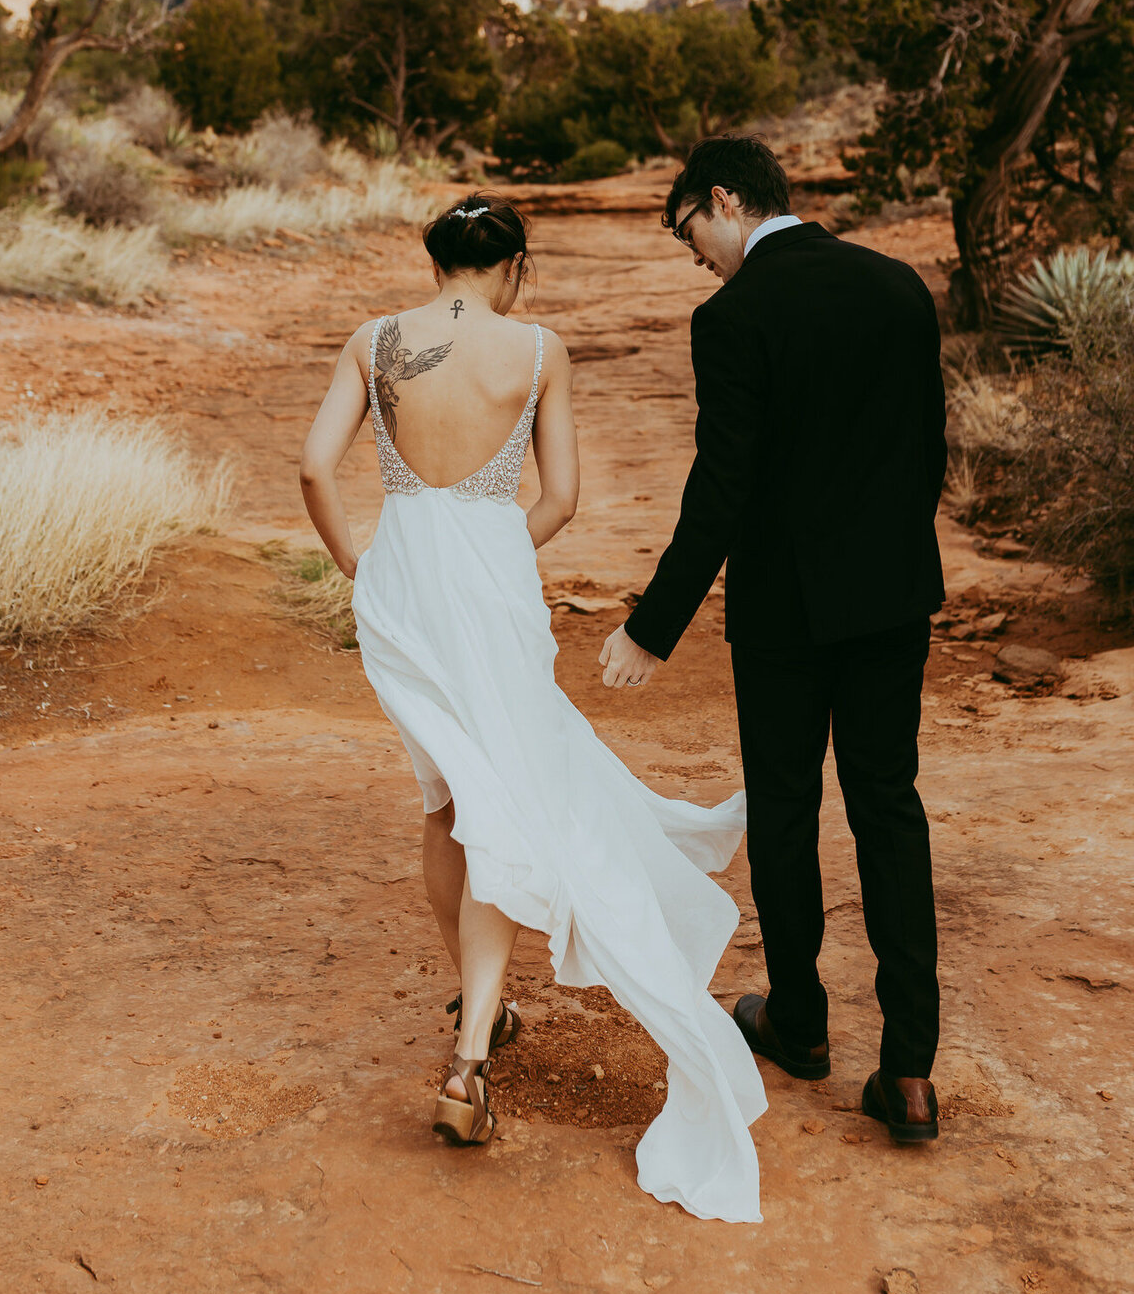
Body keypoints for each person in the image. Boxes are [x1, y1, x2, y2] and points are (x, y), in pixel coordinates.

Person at [299, 193, 767, 1222]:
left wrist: (357, 564)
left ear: (436, 261)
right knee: (502, 799)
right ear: (513, 266)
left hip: (402, 581)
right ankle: (470, 1056)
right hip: (490, 575)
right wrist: (496, 552)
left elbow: (311, 466)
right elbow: (559, 498)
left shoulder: (375, 340)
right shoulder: (538, 348)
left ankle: (476, 1002)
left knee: (447, 800)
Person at [600, 136, 946, 1146]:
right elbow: (927, 450)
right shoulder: (899, 288)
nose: (694, 255)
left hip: (784, 614)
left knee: (788, 811)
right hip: (889, 600)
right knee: (890, 808)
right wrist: (887, 557)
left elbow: (724, 489)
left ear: (724, 199)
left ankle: (797, 1022)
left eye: (690, 233)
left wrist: (650, 628)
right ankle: (912, 1070)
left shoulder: (735, 316)